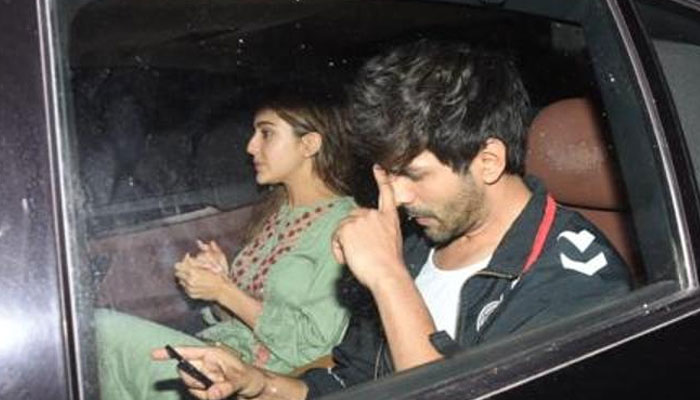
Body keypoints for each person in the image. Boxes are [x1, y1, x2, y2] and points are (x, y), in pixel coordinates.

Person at [152, 39, 631, 400]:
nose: (397, 198)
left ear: (487, 162)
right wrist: (260, 384)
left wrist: (388, 277)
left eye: (414, 175)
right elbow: (353, 380)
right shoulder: (420, 243)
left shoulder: (575, 283)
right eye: (387, 175)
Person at [96, 89, 356, 400]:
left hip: (258, 381)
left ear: (309, 144)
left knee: (100, 329)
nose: (251, 146)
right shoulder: (278, 213)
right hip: (220, 358)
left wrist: (225, 292)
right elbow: (242, 320)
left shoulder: (346, 225)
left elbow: (315, 347)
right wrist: (220, 285)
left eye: (266, 133)